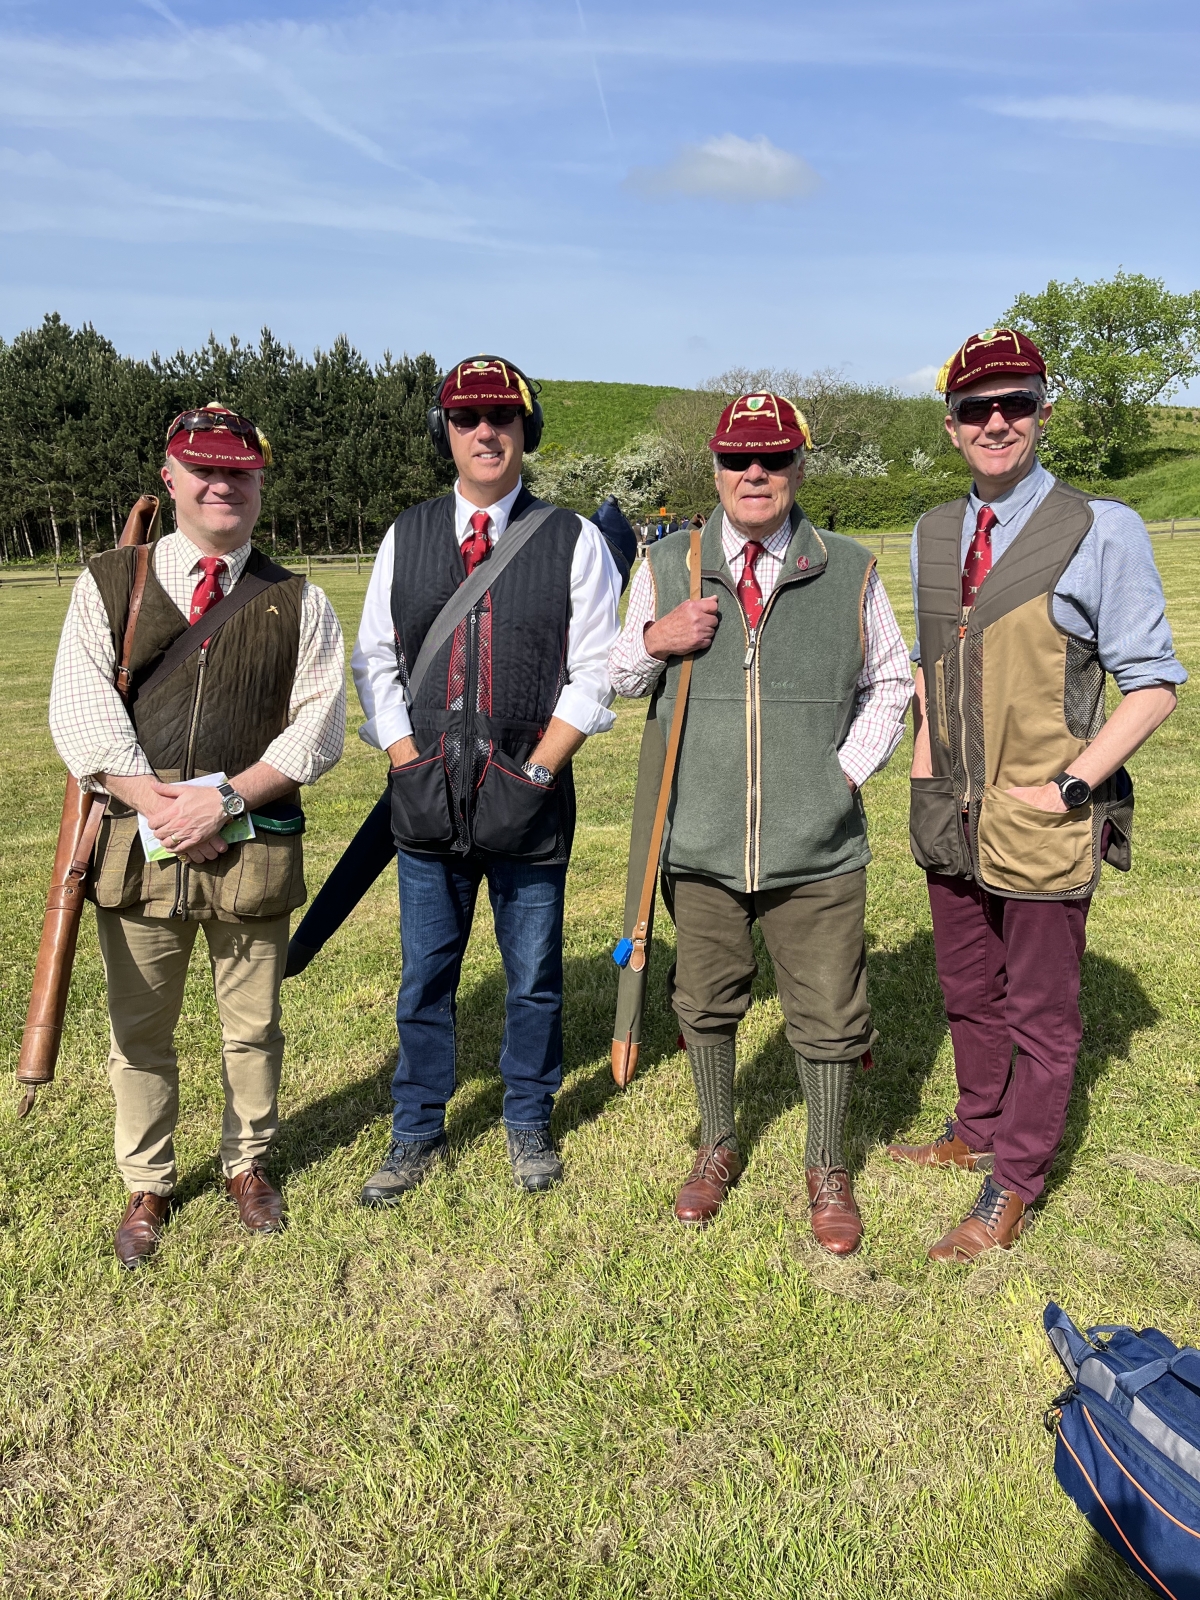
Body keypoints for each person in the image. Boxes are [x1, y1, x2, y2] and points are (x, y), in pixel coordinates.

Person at [894, 328, 1185, 1262]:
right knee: (967, 990)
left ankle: (1013, 1181)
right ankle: (975, 1124)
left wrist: (1073, 786)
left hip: (1042, 815)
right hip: (951, 813)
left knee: (1043, 1017)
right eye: (977, 408)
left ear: (1042, 412)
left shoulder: (1103, 527)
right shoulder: (932, 532)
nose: (996, 422)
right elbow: (938, 667)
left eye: (1015, 403)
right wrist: (924, 770)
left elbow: (1153, 685)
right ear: (951, 426)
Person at [608, 392, 912, 1252]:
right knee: (704, 1002)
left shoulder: (848, 566)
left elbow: (892, 680)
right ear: (714, 467)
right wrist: (659, 638)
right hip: (698, 837)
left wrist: (843, 773)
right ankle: (717, 1143)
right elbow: (615, 675)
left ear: (797, 468)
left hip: (816, 846)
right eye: (739, 459)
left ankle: (826, 1164)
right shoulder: (668, 562)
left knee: (829, 1011)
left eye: (773, 459)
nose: (755, 474)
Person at [48, 404, 346, 1268]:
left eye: (239, 472)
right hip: (137, 854)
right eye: (203, 469)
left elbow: (317, 728)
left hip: (252, 847)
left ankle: (246, 1166)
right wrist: (165, 809)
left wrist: (222, 803)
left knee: (252, 1027)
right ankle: (148, 1181)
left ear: (259, 484)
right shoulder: (108, 581)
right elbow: (81, 711)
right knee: (140, 1031)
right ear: (171, 477)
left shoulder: (302, 599)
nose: (222, 485)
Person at [352, 356, 621, 1202]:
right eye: (466, 418)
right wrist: (405, 759)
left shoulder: (572, 538)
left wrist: (540, 767)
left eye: (501, 417)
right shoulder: (408, 532)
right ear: (447, 434)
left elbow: (595, 669)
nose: (484, 431)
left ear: (524, 430)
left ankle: (528, 1117)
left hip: (530, 794)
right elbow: (376, 661)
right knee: (425, 972)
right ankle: (417, 1127)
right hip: (426, 791)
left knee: (533, 973)